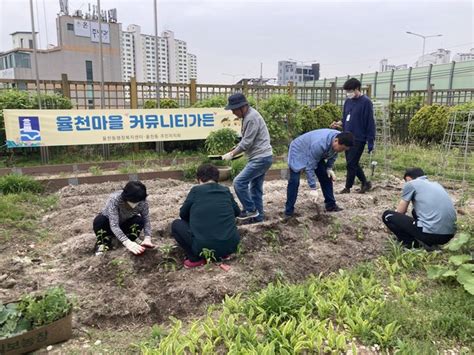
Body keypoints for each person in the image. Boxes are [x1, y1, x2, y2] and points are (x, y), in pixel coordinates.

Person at [171, 164, 241, 268]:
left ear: (199, 179)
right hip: (231, 245)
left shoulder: (196, 191)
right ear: (217, 178)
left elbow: (183, 214)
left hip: (203, 247)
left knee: (176, 224)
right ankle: (223, 254)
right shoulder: (225, 190)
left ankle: (195, 259)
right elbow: (237, 212)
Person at [221, 93, 273, 224]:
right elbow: (246, 140)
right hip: (262, 156)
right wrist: (235, 148)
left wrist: (232, 154)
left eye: (234, 109)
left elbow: (247, 143)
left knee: (239, 182)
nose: (233, 112)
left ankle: (250, 210)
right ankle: (258, 218)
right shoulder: (248, 116)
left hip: (260, 158)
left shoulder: (251, 118)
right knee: (255, 189)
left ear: (242, 107)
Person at [284, 129, 354, 217]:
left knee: (326, 176)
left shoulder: (339, 138)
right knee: (294, 181)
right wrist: (313, 188)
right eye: (342, 148)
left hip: (315, 151)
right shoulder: (320, 144)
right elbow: (310, 168)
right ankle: (288, 212)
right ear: (336, 141)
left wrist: (329, 168)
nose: (342, 151)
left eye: (344, 149)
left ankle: (330, 205)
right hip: (299, 149)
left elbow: (334, 153)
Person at [382, 168, 456, 249]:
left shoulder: (411, 184)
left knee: (387, 215)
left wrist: (396, 218)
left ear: (408, 179)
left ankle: (412, 245)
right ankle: (428, 243)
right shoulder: (436, 184)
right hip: (449, 235)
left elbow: (401, 211)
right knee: (415, 211)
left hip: (432, 234)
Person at [331, 78, 375, 194]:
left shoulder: (366, 102)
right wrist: (338, 124)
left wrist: (370, 140)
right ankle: (365, 183)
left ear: (357, 89)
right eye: (347, 91)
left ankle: (347, 187)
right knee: (353, 163)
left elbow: (370, 122)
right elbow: (345, 118)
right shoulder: (348, 102)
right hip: (346, 136)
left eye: (350, 91)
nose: (348, 93)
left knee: (351, 163)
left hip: (359, 138)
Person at [93, 181, 154, 255]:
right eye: (133, 201)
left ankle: (132, 237)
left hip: (126, 223)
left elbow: (146, 219)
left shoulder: (142, 201)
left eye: (138, 201)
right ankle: (103, 242)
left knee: (139, 220)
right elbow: (114, 225)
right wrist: (127, 243)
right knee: (99, 221)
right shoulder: (115, 199)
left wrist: (147, 237)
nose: (135, 204)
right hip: (109, 224)